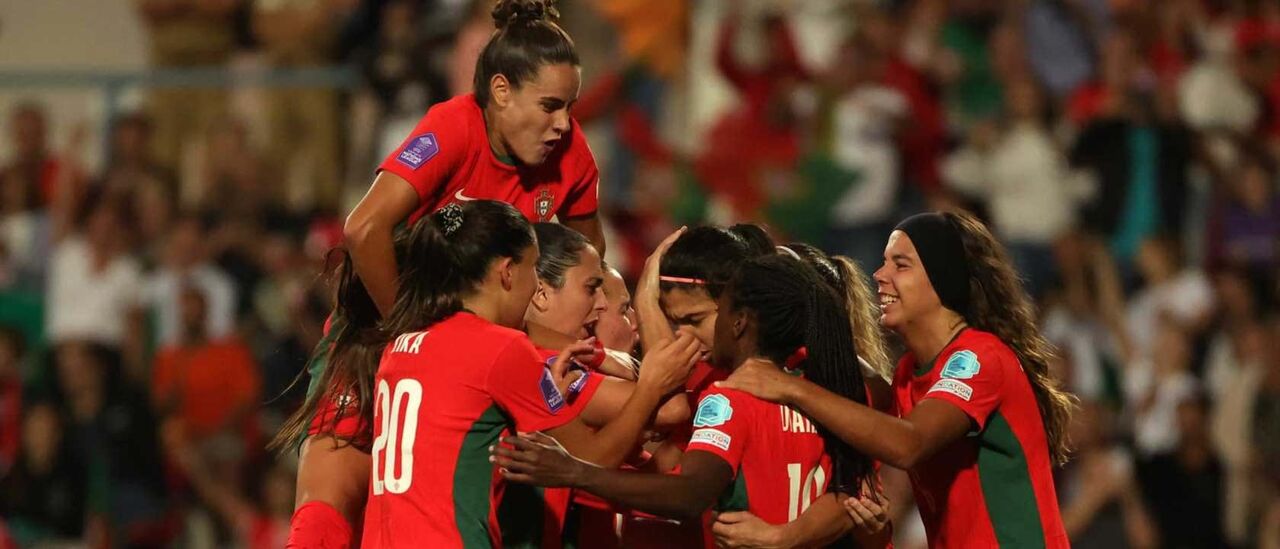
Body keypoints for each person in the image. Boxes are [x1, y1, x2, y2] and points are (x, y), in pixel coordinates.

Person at [280, 0, 607, 541]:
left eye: (569, 107)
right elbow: (364, 229)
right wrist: (418, 336)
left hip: (487, 358)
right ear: (500, 91)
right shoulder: (454, 127)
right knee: (329, 507)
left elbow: (589, 263)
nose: (563, 124)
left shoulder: (571, 152)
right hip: (380, 333)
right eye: (550, 105)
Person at [715, 211, 1073, 547]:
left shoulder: (979, 357)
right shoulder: (906, 374)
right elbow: (882, 495)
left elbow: (909, 444)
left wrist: (791, 387)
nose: (879, 274)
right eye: (886, 262)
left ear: (942, 278)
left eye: (900, 265)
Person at [353, 200, 698, 548]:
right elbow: (592, 459)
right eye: (533, 268)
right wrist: (651, 387)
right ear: (507, 271)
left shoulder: (401, 344)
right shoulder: (503, 349)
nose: (534, 286)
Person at [493, 254, 887, 548]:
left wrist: (575, 472)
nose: (690, 333)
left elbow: (690, 492)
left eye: (714, 314)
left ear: (739, 321)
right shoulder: (826, 399)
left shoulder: (730, 399)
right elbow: (852, 496)